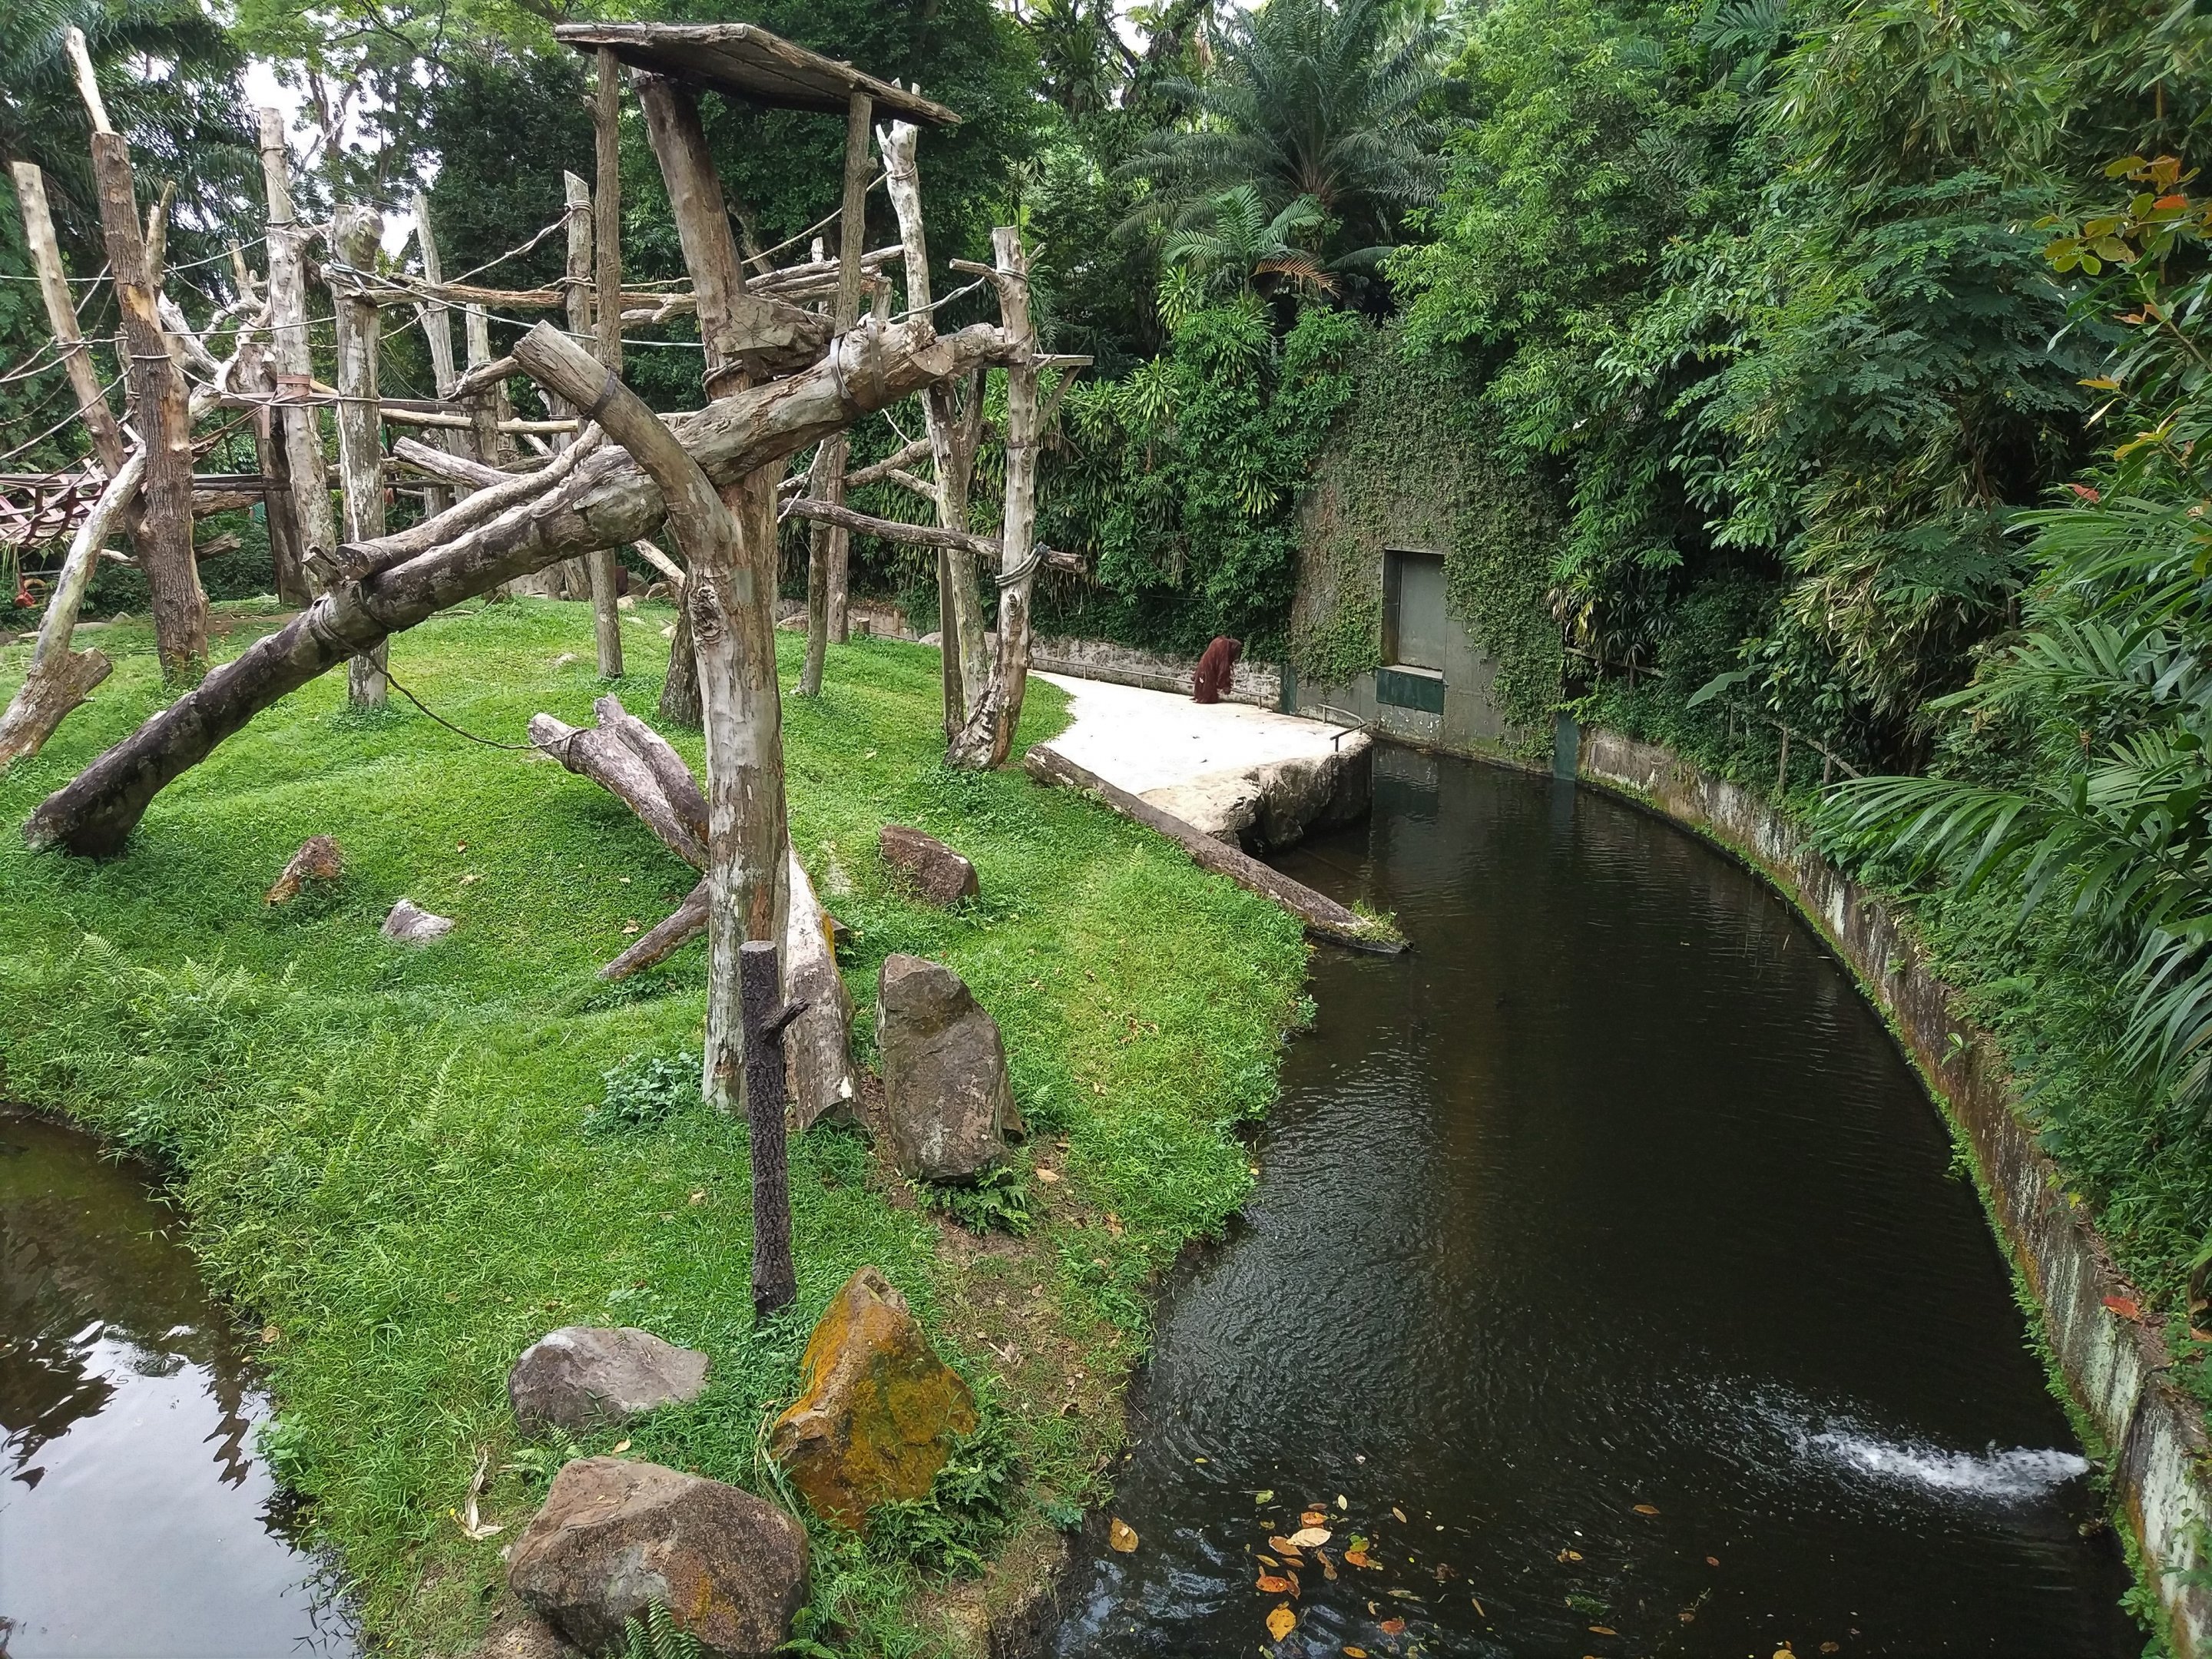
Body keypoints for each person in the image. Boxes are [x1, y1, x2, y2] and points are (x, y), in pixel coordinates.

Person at [1192, 635, 1242, 704]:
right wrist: (1225, 685)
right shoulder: (1224, 647)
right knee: (1209, 698)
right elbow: (1223, 669)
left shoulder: (1218, 641)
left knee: (1205, 690)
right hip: (1208, 670)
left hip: (1203, 667)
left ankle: (1200, 695)